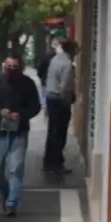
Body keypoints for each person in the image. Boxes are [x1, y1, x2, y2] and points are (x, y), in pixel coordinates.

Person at [0, 53, 41, 216]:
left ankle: (11, 203)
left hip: (19, 132)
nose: (12, 70)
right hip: (0, 132)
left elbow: (35, 107)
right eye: (9, 67)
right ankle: (7, 194)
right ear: (4, 67)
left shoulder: (28, 84)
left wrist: (20, 115)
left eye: (15, 67)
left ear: (21, 67)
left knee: (15, 168)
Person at [43, 38, 78, 174]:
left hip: (51, 97)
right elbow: (64, 87)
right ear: (71, 50)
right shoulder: (68, 64)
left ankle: (48, 160)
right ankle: (57, 162)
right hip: (60, 100)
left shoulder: (55, 60)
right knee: (60, 132)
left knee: (52, 131)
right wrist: (69, 99)